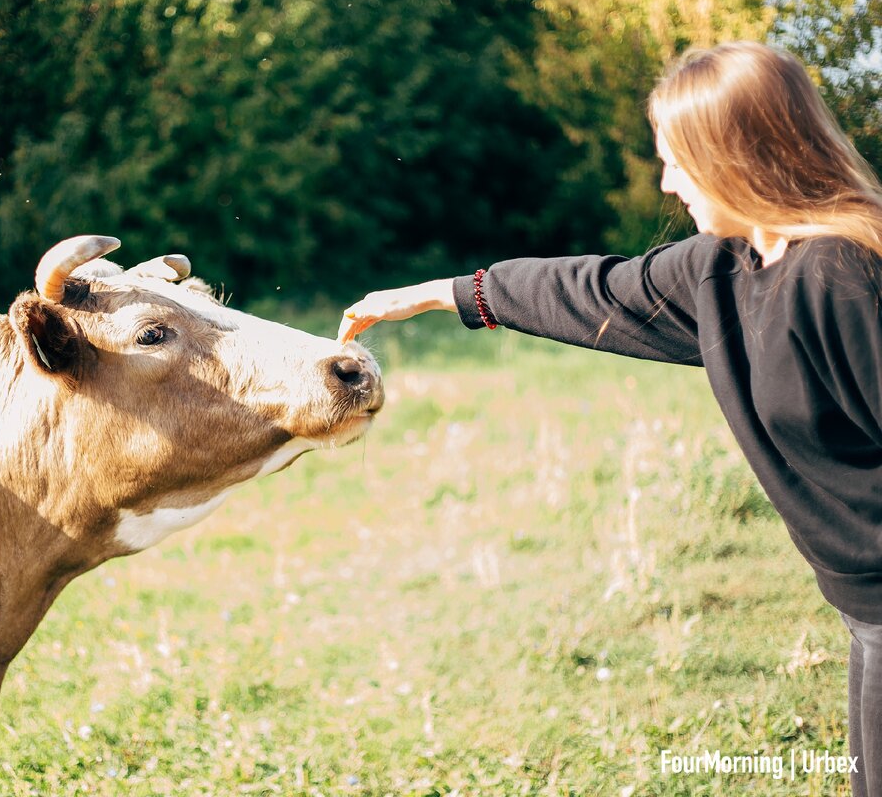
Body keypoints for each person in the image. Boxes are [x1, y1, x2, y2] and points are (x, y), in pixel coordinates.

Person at [338, 40, 882, 795]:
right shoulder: (721, 268)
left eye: (677, 160)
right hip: (863, 609)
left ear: (737, 156)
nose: (667, 182)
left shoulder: (844, 278)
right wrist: (440, 293)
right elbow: (593, 291)